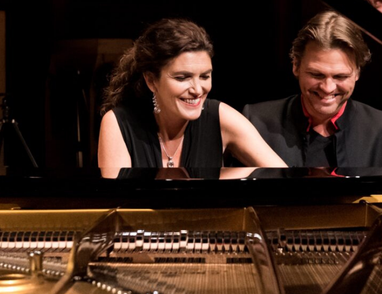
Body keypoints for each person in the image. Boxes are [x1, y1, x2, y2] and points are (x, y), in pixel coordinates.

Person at [98, 18, 287, 179]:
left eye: (204, 76)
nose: (197, 90)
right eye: (182, 77)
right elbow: (118, 203)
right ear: (151, 80)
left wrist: (223, 177)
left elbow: (287, 179)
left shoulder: (220, 116)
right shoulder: (119, 123)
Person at [241, 11, 382, 170]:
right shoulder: (255, 122)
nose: (327, 88)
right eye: (316, 74)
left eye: (340, 76)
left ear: (357, 73)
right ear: (296, 66)